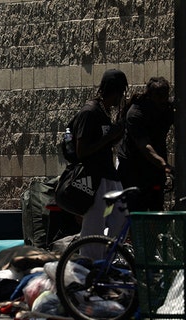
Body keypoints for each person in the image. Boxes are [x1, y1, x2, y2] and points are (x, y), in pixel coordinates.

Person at [71, 69, 127, 255]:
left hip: (109, 177)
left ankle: (106, 262)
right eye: (121, 93)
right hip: (95, 180)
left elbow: (104, 143)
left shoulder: (103, 112)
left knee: (120, 219)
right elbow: (82, 151)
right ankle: (88, 268)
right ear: (116, 91)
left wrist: (115, 136)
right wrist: (109, 136)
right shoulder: (90, 112)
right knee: (94, 226)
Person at [117, 77, 174, 212]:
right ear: (150, 97)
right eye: (159, 99)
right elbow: (145, 147)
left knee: (156, 208)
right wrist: (165, 165)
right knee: (136, 211)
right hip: (133, 168)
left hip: (154, 169)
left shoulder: (167, 107)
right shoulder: (136, 113)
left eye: (165, 98)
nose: (162, 103)